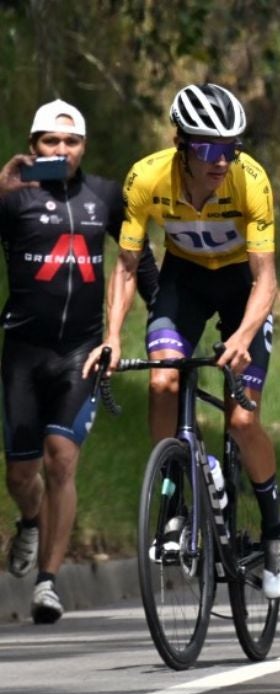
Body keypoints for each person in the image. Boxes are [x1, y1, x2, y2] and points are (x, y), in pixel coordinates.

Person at [84, 83, 280, 600]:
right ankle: (177, 504)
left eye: (230, 148)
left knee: (242, 418)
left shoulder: (251, 181)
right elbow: (129, 265)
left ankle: (274, 529)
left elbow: (267, 280)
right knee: (161, 383)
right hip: (185, 282)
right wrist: (111, 336)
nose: (220, 160)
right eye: (207, 148)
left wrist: (244, 334)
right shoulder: (146, 178)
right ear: (180, 143)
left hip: (241, 287)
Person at [1, 100, 155, 623]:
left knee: (60, 455)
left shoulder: (105, 195)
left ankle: (48, 582)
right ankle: (29, 521)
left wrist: (165, 320)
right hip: (23, 350)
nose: (61, 151)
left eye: (70, 143)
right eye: (50, 142)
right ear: (33, 144)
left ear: (83, 146)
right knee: (21, 474)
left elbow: (139, 259)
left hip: (81, 351)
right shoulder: (14, 196)